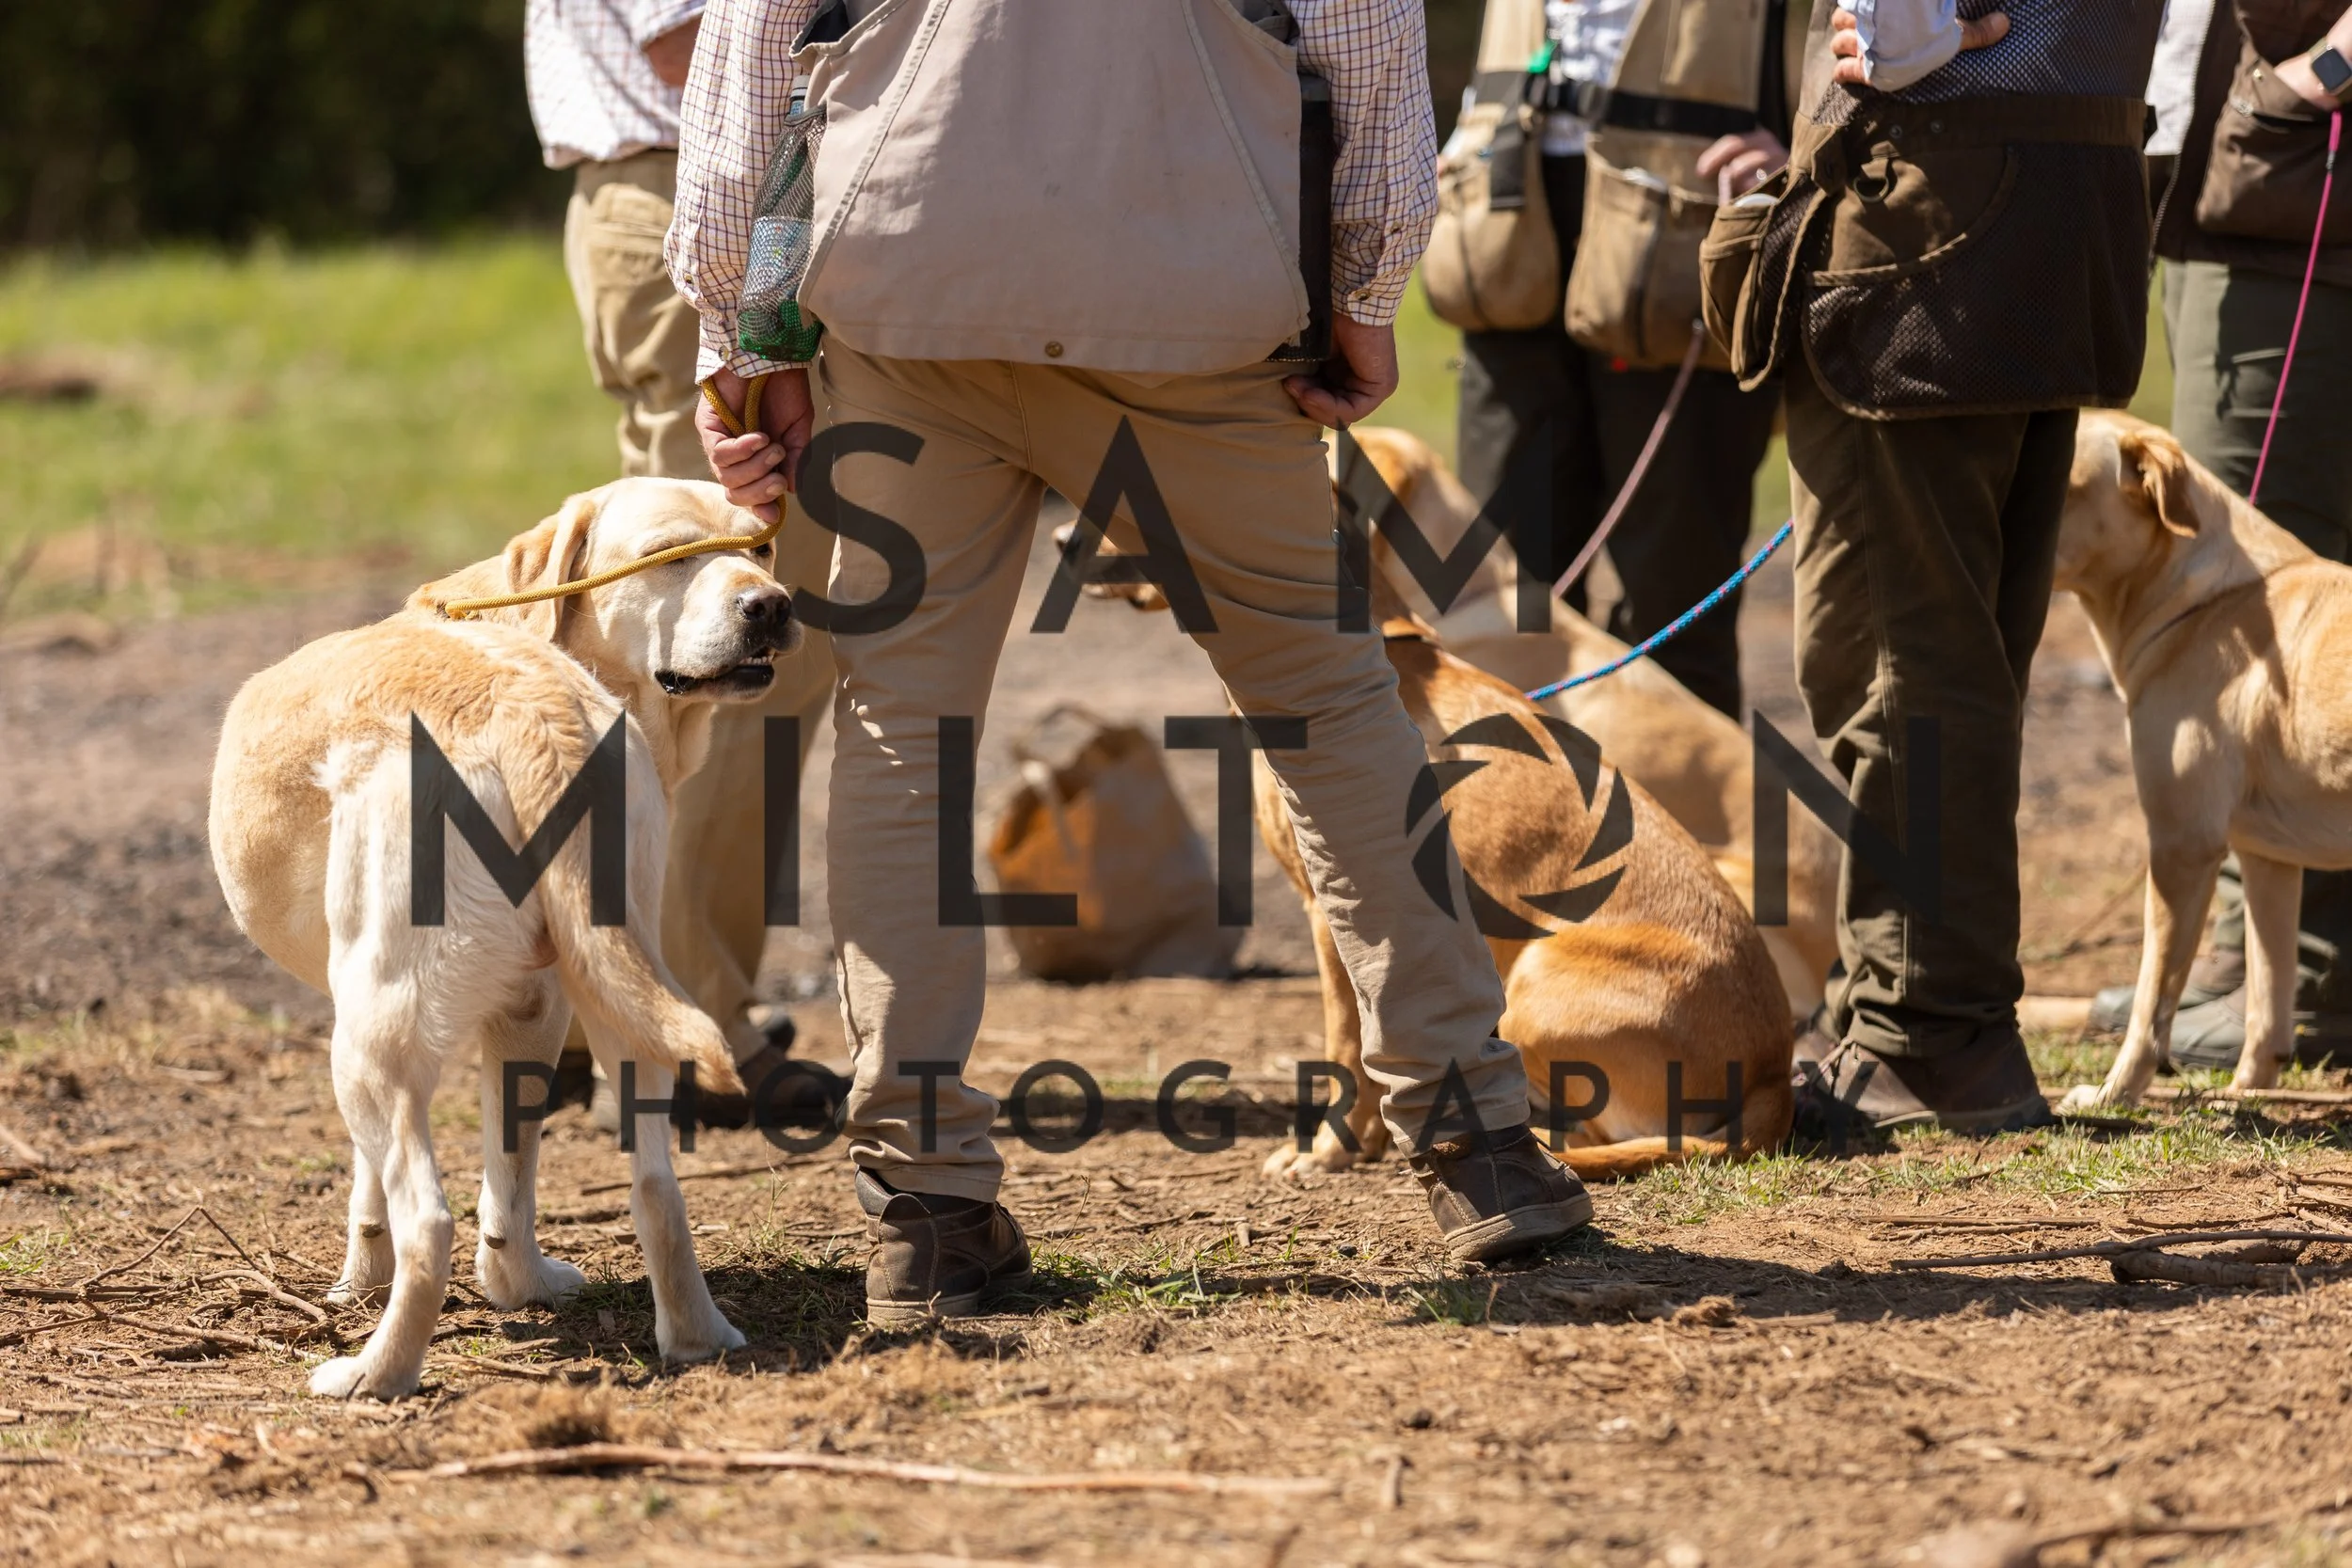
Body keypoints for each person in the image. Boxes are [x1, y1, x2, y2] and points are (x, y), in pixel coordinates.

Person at [668, 0, 1594, 1323]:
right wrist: (1367, 291)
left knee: (902, 731)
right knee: (1330, 704)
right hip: (1199, 301)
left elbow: (757, 43)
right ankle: (1481, 1142)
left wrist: (743, 338)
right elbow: (1365, 34)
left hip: (912, 297)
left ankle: (924, 1205)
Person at [1740, 0, 2166, 1132]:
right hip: (2061, 222)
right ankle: (1914, 1010)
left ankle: (1924, 1037)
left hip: (1925, 234)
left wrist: (1942, 26)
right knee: (1966, 650)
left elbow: (1891, 32)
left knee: (1895, 658)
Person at [524, 0, 838, 1124]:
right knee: (717, 644)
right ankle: (675, 1025)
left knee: (711, 648)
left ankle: (606, 1008)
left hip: (717, 194)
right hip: (706, 194)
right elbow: (686, 42)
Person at [2085, 0, 2352, 1067]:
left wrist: (2311, 80)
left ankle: (2297, 988)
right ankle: (2264, 989)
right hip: (2210, 171)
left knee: (2248, 613)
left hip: (2285, 182)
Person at [1451, 0, 1798, 719]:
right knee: (1504, 614)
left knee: (1674, 618)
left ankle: (1687, 831)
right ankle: (1517, 826)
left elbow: (1868, 27)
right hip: (1512, 231)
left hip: (1684, 243)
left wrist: (1810, 145)